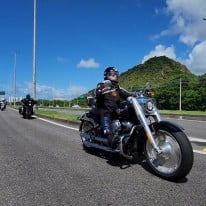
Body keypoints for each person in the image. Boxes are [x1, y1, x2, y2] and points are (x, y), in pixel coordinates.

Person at [95, 67, 132, 148]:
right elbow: (97, 93)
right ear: (107, 75)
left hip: (115, 110)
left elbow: (125, 93)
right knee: (107, 128)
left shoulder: (117, 87)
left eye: (116, 74)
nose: (115, 76)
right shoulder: (102, 84)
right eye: (112, 74)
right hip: (104, 110)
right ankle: (111, 140)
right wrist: (102, 91)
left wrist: (134, 95)